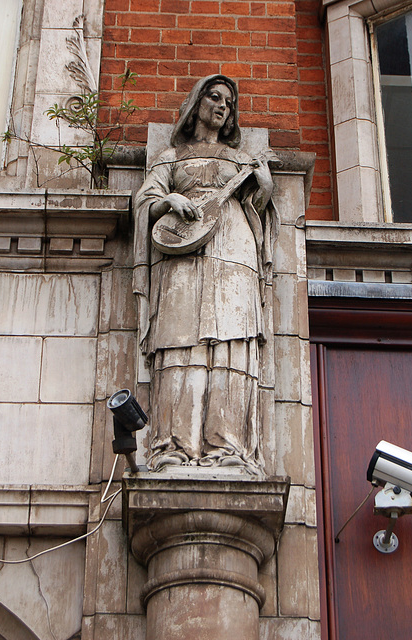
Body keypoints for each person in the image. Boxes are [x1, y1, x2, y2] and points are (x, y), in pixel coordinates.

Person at [133, 75, 279, 473]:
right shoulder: (171, 157)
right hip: (181, 256)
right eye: (214, 97)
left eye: (228, 103)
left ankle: (228, 446)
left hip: (235, 253)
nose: (221, 106)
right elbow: (144, 200)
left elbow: (259, 208)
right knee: (179, 341)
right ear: (196, 103)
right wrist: (168, 201)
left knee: (232, 342)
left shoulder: (239, 161)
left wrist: (263, 187)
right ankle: (174, 445)